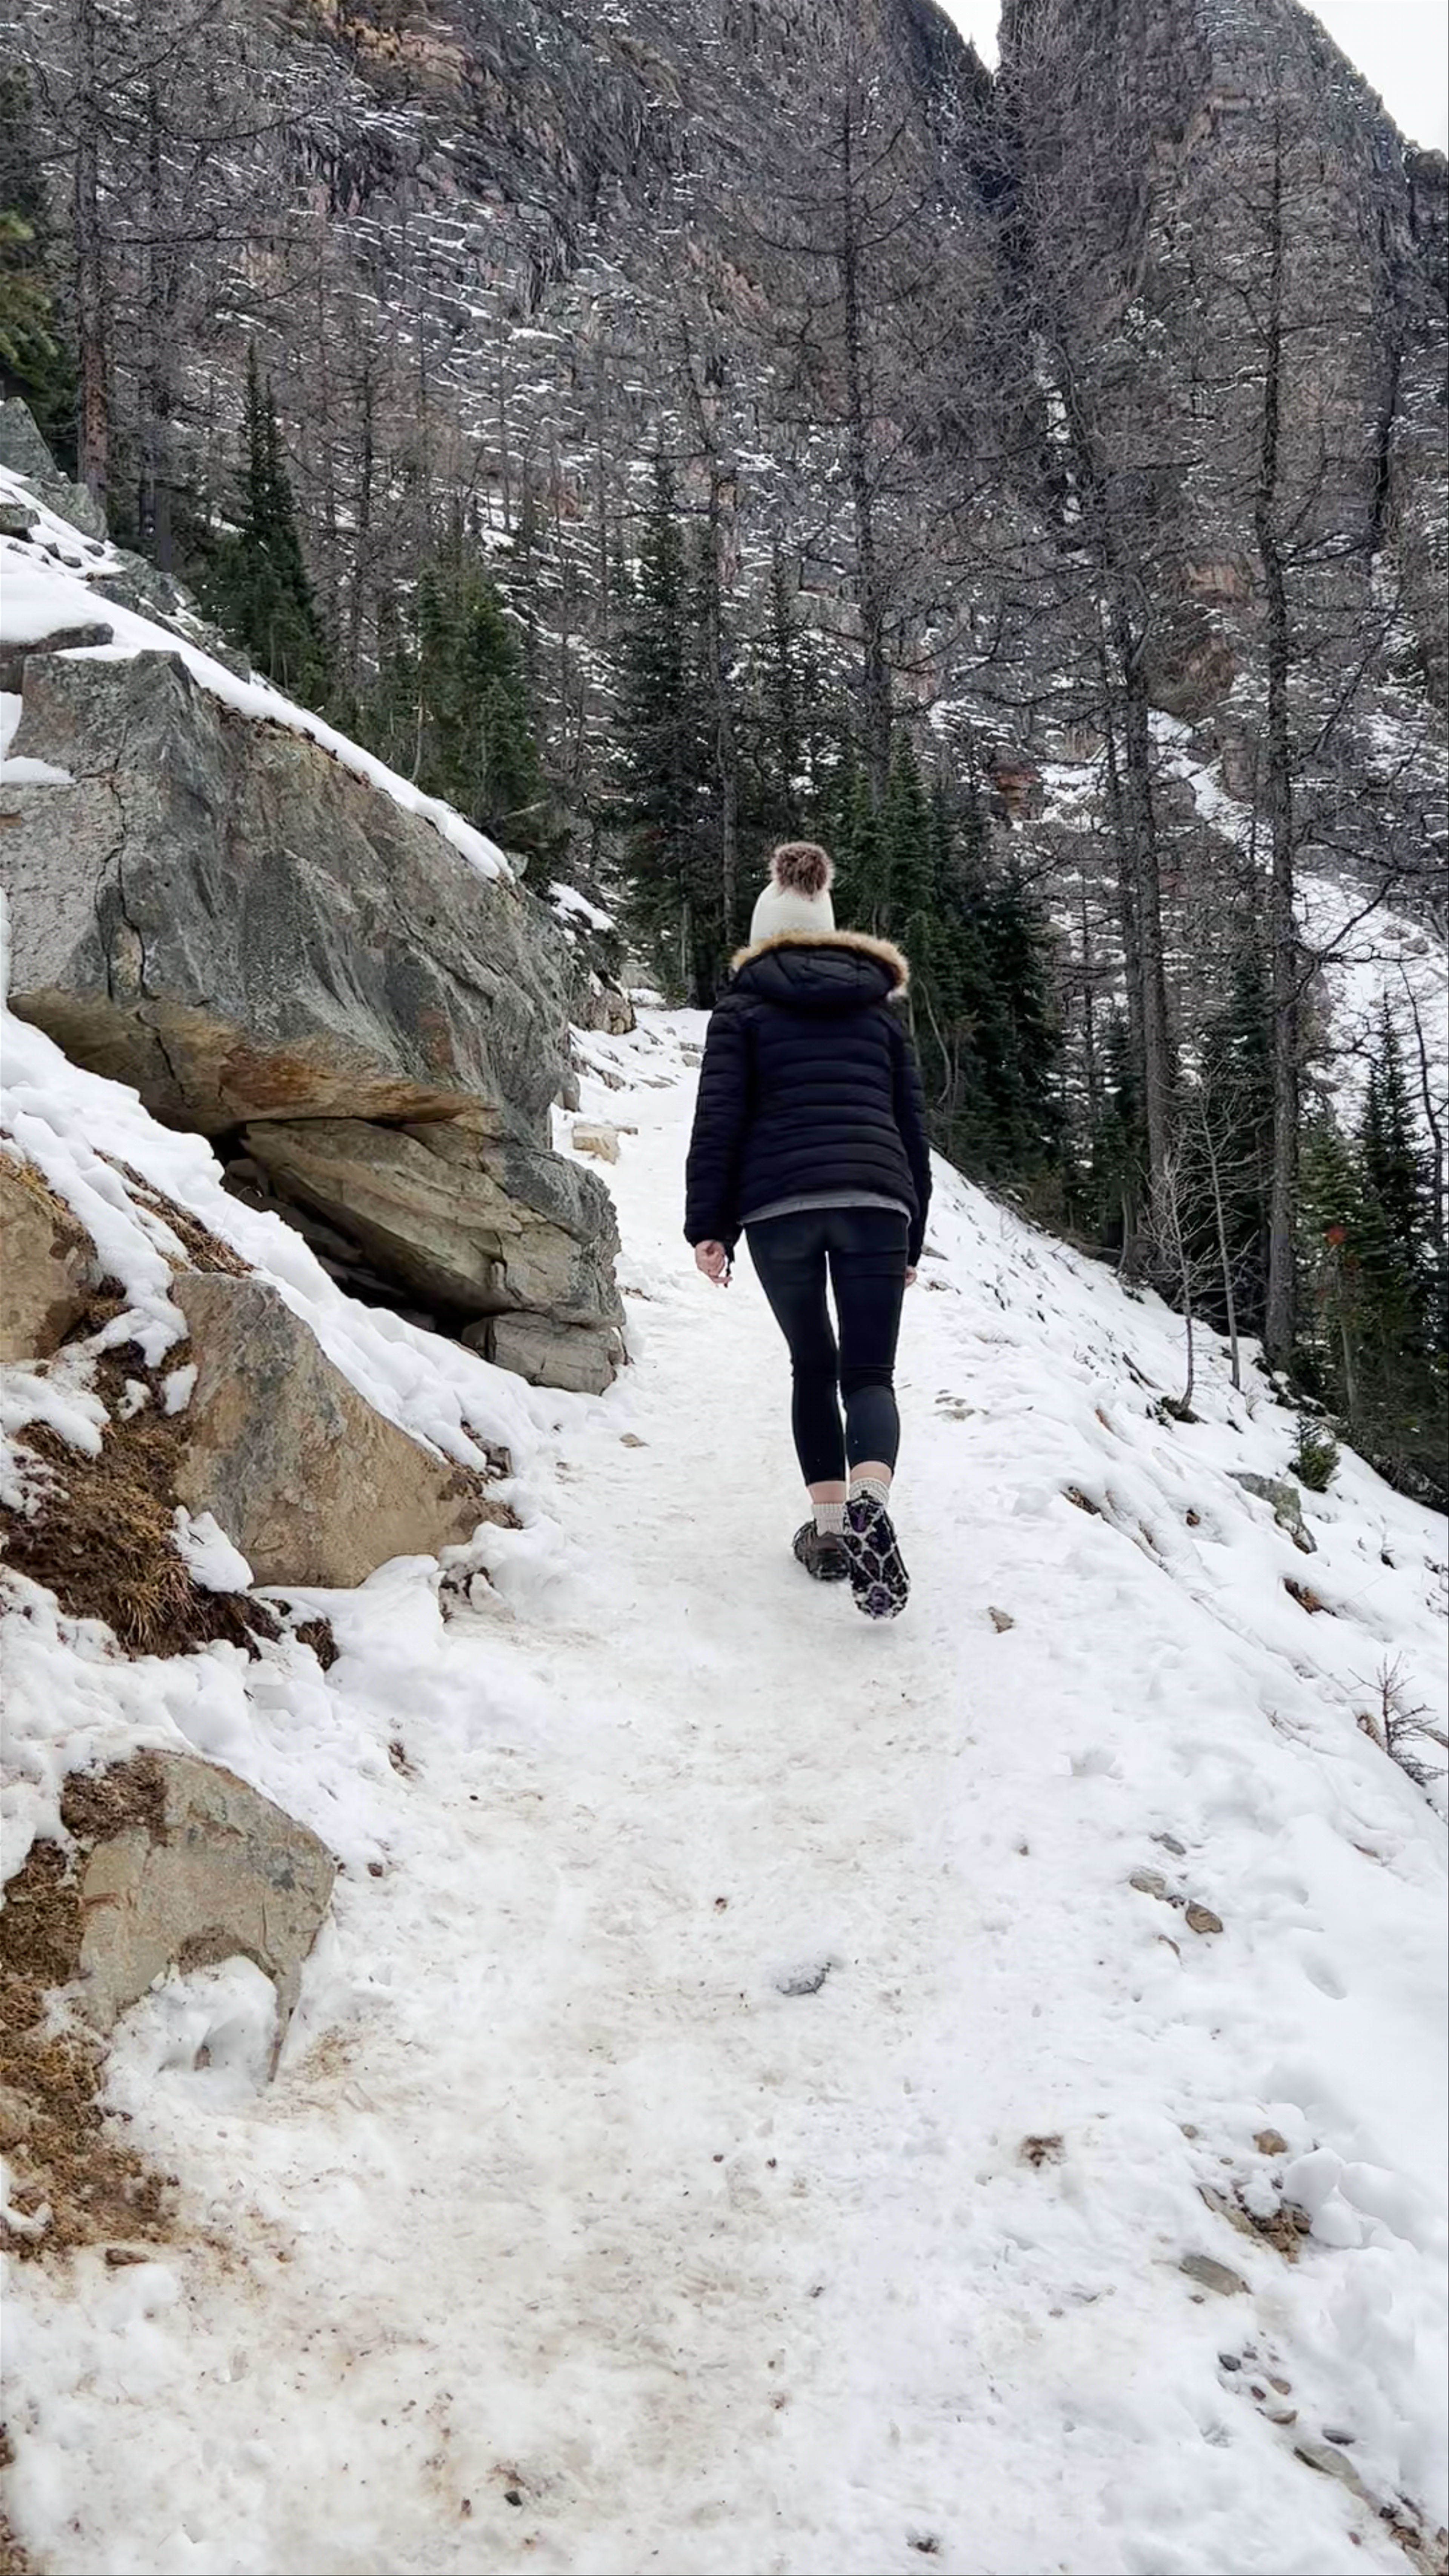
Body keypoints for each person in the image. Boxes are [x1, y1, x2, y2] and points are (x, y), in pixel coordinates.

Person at [684, 840, 931, 1621]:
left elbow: (718, 1121)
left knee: (811, 1364)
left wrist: (710, 1226)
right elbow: (911, 1130)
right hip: (876, 1202)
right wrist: (911, 1235)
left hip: (779, 1207)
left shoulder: (743, 1010)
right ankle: (871, 1496)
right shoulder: (879, 1013)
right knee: (870, 1373)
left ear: (766, 932)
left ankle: (830, 1532)